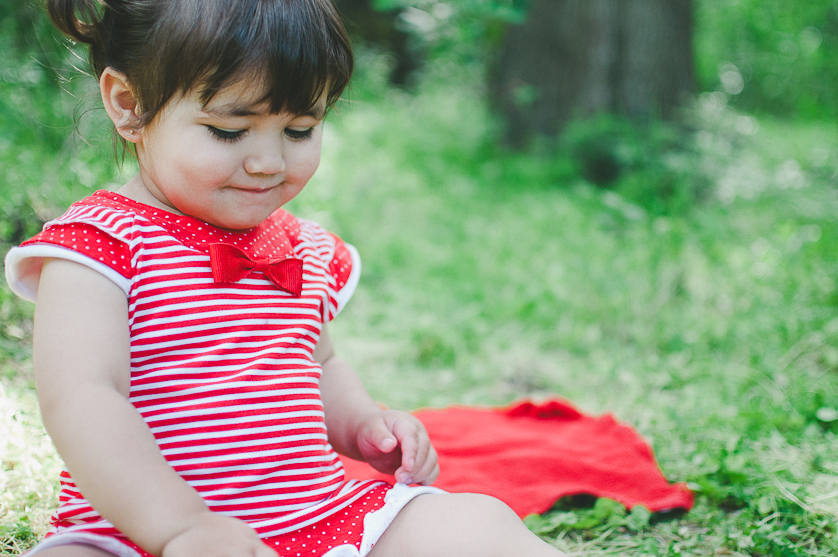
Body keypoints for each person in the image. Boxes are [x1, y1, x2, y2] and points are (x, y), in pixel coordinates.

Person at [5, 1, 568, 556]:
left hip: (314, 518)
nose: (269, 162)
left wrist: (365, 424)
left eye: (299, 129)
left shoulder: (300, 247)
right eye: (229, 130)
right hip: (134, 536)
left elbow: (317, 364)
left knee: (474, 523)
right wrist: (183, 529)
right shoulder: (99, 245)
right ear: (129, 105)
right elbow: (82, 399)